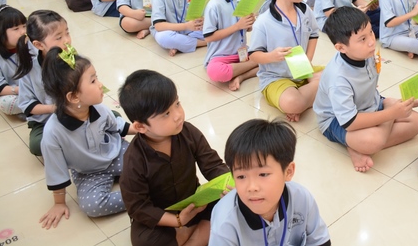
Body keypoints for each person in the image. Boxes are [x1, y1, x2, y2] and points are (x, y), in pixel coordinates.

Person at [119, 70, 230, 246]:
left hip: (196, 203)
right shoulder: (134, 160)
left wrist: (229, 185)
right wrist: (177, 220)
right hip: (163, 215)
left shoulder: (188, 132)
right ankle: (198, 233)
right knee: (144, 241)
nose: (178, 115)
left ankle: (188, 237)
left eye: (177, 103)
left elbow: (212, 165)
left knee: (232, 205)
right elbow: (138, 207)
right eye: (166, 114)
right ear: (140, 127)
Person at [314, 6, 418, 172]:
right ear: (341, 48)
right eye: (362, 39)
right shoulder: (338, 78)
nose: (372, 41)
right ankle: (358, 145)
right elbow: (350, 123)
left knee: (416, 122)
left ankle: (358, 146)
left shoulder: (366, 53)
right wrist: (392, 113)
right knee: (373, 141)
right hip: (337, 120)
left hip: (369, 105)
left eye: (371, 32)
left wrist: (392, 107)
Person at [38, 46, 130, 229]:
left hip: (116, 153)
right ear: (73, 97)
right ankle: (139, 196)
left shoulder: (99, 108)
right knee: (92, 206)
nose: (100, 84)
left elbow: (117, 126)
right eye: (93, 81)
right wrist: (59, 203)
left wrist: (142, 128)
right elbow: (56, 171)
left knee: (149, 163)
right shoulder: (52, 133)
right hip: (88, 172)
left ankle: (144, 186)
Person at [208, 119, 331, 246]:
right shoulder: (225, 222)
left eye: (263, 174)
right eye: (241, 176)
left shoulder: (301, 198)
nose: (252, 187)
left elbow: (320, 240)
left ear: (288, 171)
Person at [248, 0, 322, 122]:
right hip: (277, 78)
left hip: (304, 70)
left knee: (339, 74)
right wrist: (271, 56)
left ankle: (307, 98)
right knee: (292, 102)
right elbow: (253, 55)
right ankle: (312, 96)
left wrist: (308, 61)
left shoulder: (305, 10)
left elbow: (314, 34)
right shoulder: (263, 22)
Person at [16, 10, 71, 156]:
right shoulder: (29, 70)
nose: (66, 40)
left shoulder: (74, 59)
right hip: (45, 120)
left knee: (112, 117)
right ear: (39, 45)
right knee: (37, 145)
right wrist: (55, 108)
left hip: (75, 113)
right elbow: (27, 104)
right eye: (59, 37)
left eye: (67, 33)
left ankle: (69, 142)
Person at [204, 0, 259, 91]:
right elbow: (209, 37)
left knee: (272, 56)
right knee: (215, 72)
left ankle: (241, 76)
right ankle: (254, 64)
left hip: (241, 53)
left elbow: (246, 29)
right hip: (221, 57)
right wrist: (237, 26)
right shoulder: (214, 4)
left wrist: (249, 24)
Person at [0, 6, 27, 116]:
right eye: (16, 29)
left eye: (24, 26)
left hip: (38, 87)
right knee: (6, 104)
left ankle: (33, 108)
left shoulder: (31, 45)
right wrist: (21, 90)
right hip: (15, 91)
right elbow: (0, 88)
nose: (23, 32)